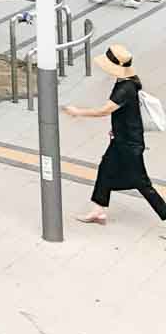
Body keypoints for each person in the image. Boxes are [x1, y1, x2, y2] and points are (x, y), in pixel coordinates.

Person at [66, 43, 166, 228]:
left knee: (142, 184)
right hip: (122, 139)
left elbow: (105, 110)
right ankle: (98, 210)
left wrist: (78, 112)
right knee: (105, 169)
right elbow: (126, 113)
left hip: (129, 144)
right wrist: (117, 128)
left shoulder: (125, 88)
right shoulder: (127, 81)